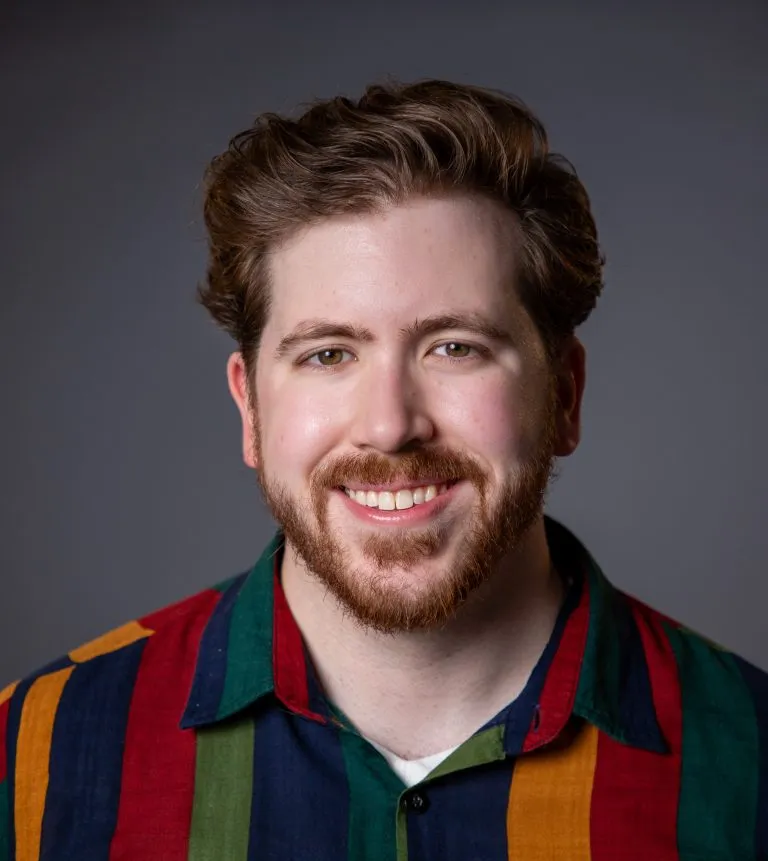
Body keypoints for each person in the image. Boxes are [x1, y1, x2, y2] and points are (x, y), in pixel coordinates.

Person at [1, 78, 765, 861]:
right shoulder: (29, 750)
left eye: (455, 347)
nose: (390, 425)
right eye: (328, 354)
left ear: (564, 393)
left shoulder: (751, 759)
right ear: (250, 410)